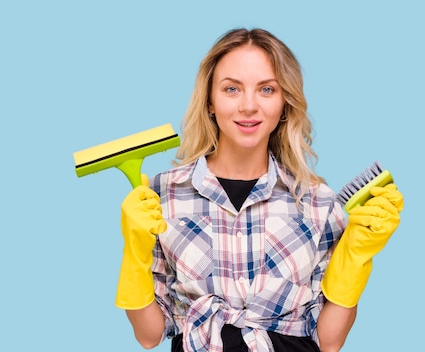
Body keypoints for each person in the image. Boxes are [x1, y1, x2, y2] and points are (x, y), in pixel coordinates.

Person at [114, 28, 403, 352]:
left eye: (266, 89)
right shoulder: (160, 197)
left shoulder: (318, 203)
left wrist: (355, 258)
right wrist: (133, 254)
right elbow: (149, 335)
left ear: (284, 103)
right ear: (210, 101)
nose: (248, 106)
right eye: (232, 89)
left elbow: (330, 341)